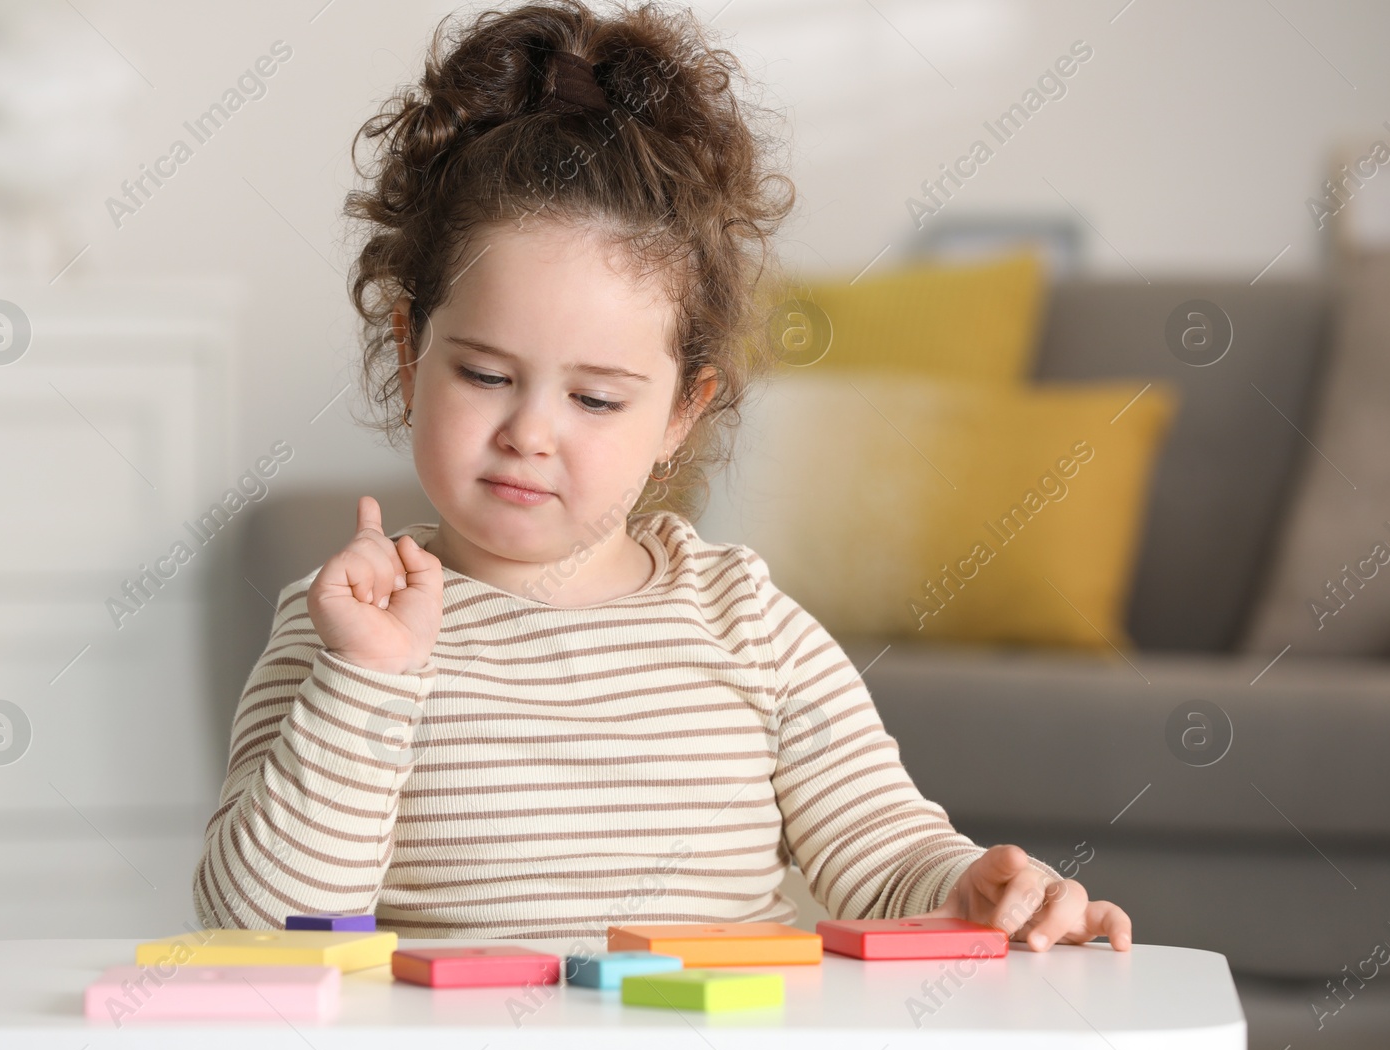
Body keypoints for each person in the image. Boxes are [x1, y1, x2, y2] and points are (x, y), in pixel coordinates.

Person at [192, 0, 1132, 953]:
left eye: (596, 399)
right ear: (409, 352)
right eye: (484, 376)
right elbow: (254, 931)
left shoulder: (751, 629)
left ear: (682, 410)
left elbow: (888, 859)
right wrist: (368, 681)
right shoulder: (344, 633)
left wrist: (982, 890)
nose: (529, 432)